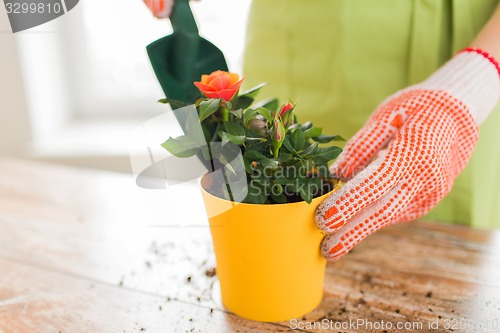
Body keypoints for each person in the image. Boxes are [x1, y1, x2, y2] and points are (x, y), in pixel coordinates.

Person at [144, 0, 500, 261]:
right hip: (306, 40)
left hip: (470, 58)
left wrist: (472, 80)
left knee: (438, 264)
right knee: (270, 206)